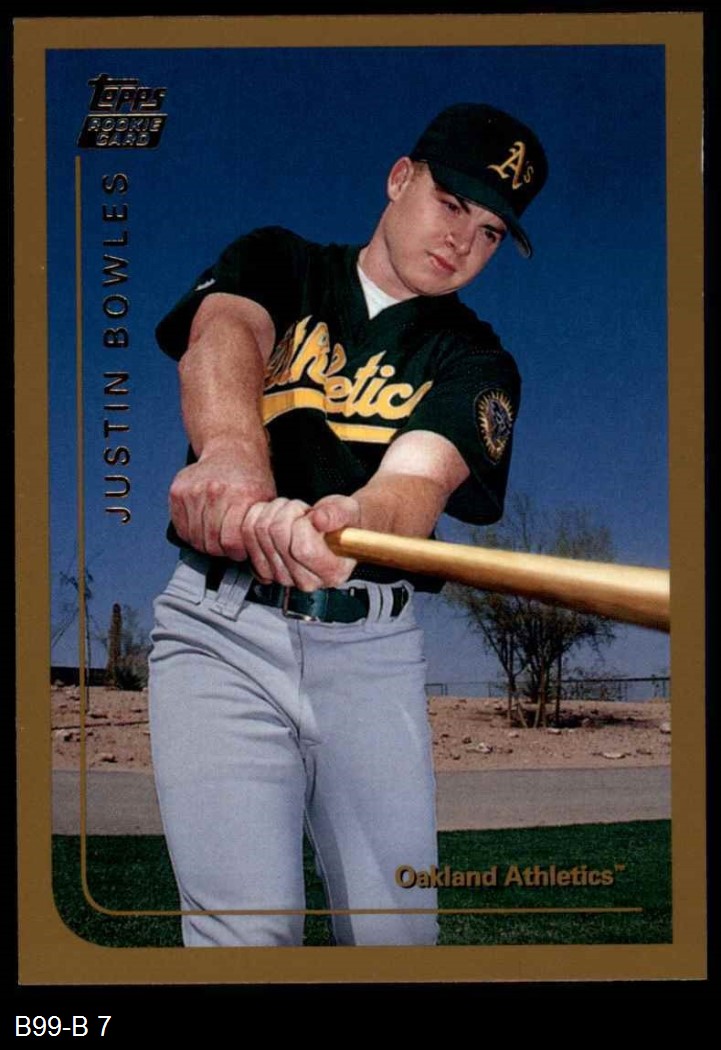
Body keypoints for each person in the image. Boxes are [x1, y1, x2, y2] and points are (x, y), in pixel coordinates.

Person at [149, 103, 548, 947]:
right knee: (245, 937)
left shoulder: (476, 359)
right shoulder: (281, 261)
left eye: (488, 231)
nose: (461, 241)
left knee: (396, 935)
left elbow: (417, 483)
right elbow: (223, 335)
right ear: (400, 178)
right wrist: (231, 454)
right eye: (450, 203)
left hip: (371, 652)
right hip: (220, 631)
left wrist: (356, 519)